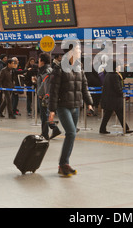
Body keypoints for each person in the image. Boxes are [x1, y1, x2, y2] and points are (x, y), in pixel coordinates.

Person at [48, 43, 93, 177]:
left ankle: (64, 164)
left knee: (71, 135)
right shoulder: (59, 68)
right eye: (78, 49)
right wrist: (52, 110)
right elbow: (54, 90)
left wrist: (89, 102)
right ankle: (63, 164)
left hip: (75, 106)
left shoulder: (79, 67)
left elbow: (84, 86)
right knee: (71, 133)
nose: (80, 51)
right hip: (63, 106)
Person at [99, 60, 133, 135]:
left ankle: (103, 129)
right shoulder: (114, 75)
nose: (119, 67)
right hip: (114, 99)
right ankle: (125, 129)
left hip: (110, 98)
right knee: (118, 113)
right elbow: (117, 88)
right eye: (118, 65)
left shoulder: (108, 74)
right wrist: (123, 94)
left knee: (110, 114)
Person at [35, 52, 61, 140]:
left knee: (44, 115)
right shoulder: (45, 69)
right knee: (45, 114)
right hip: (45, 96)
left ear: (42, 61)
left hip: (43, 97)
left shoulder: (46, 70)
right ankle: (54, 129)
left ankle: (45, 134)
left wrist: (41, 94)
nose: (38, 62)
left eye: (39, 60)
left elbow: (46, 84)